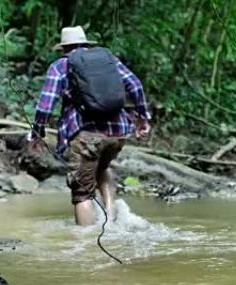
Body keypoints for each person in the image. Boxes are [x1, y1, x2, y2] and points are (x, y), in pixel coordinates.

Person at [28, 26, 151, 226]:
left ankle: (87, 245)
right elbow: (135, 85)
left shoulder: (61, 66)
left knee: (82, 192)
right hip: (118, 133)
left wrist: (36, 133)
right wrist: (143, 119)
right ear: (85, 44)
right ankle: (110, 221)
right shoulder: (108, 60)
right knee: (102, 168)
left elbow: (45, 105)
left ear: (64, 48)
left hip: (87, 135)